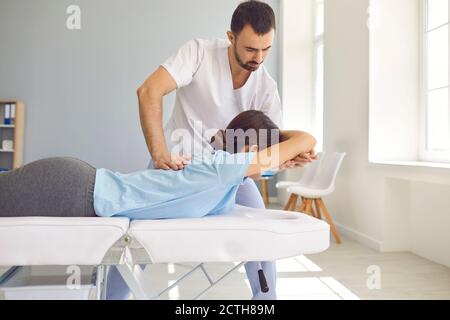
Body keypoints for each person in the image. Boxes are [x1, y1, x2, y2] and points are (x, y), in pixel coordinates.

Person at [135, 0, 315, 300]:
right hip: (178, 166)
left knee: (263, 238)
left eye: (266, 49)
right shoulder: (198, 53)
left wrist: (289, 155)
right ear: (230, 38)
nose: (259, 58)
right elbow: (148, 91)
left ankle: (264, 301)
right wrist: (159, 153)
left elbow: (268, 150)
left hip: (229, 173)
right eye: (250, 49)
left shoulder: (266, 88)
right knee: (136, 237)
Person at [0, 111, 316, 221]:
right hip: (71, 190)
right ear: (253, 149)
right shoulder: (224, 166)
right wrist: (285, 145)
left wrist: (283, 158)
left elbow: (270, 164)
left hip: (79, 188)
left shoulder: (226, 178)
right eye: (267, 152)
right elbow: (307, 138)